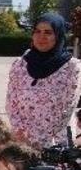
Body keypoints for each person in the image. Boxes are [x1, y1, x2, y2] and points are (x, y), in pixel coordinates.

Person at [6, 13, 81, 149]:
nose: (41, 36)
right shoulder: (20, 64)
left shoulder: (72, 67)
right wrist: (21, 132)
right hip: (23, 141)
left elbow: (68, 107)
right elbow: (11, 103)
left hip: (56, 142)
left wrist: (41, 139)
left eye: (48, 32)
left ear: (58, 36)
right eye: (37, 31)